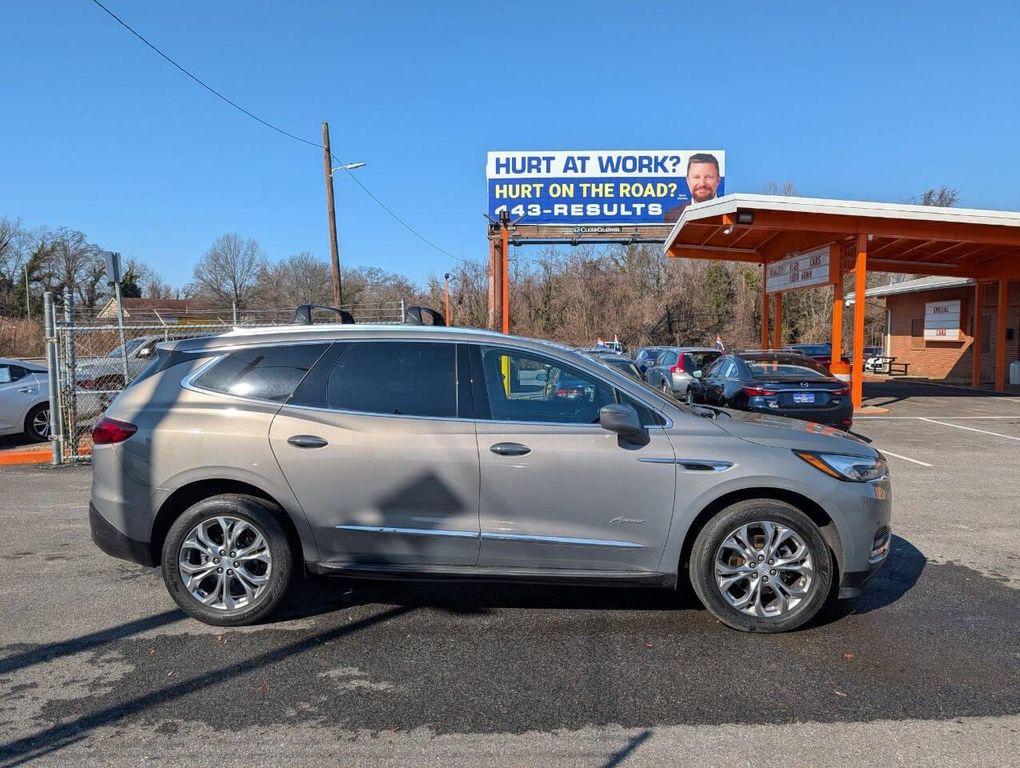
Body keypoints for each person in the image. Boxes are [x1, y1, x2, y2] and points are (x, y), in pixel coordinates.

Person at [663, 153, 722, 222]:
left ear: (718, 180)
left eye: (708, 177)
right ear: (687, 180)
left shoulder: (731, 211)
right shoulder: (672, 215)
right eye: (696, 177)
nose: (702, 183)